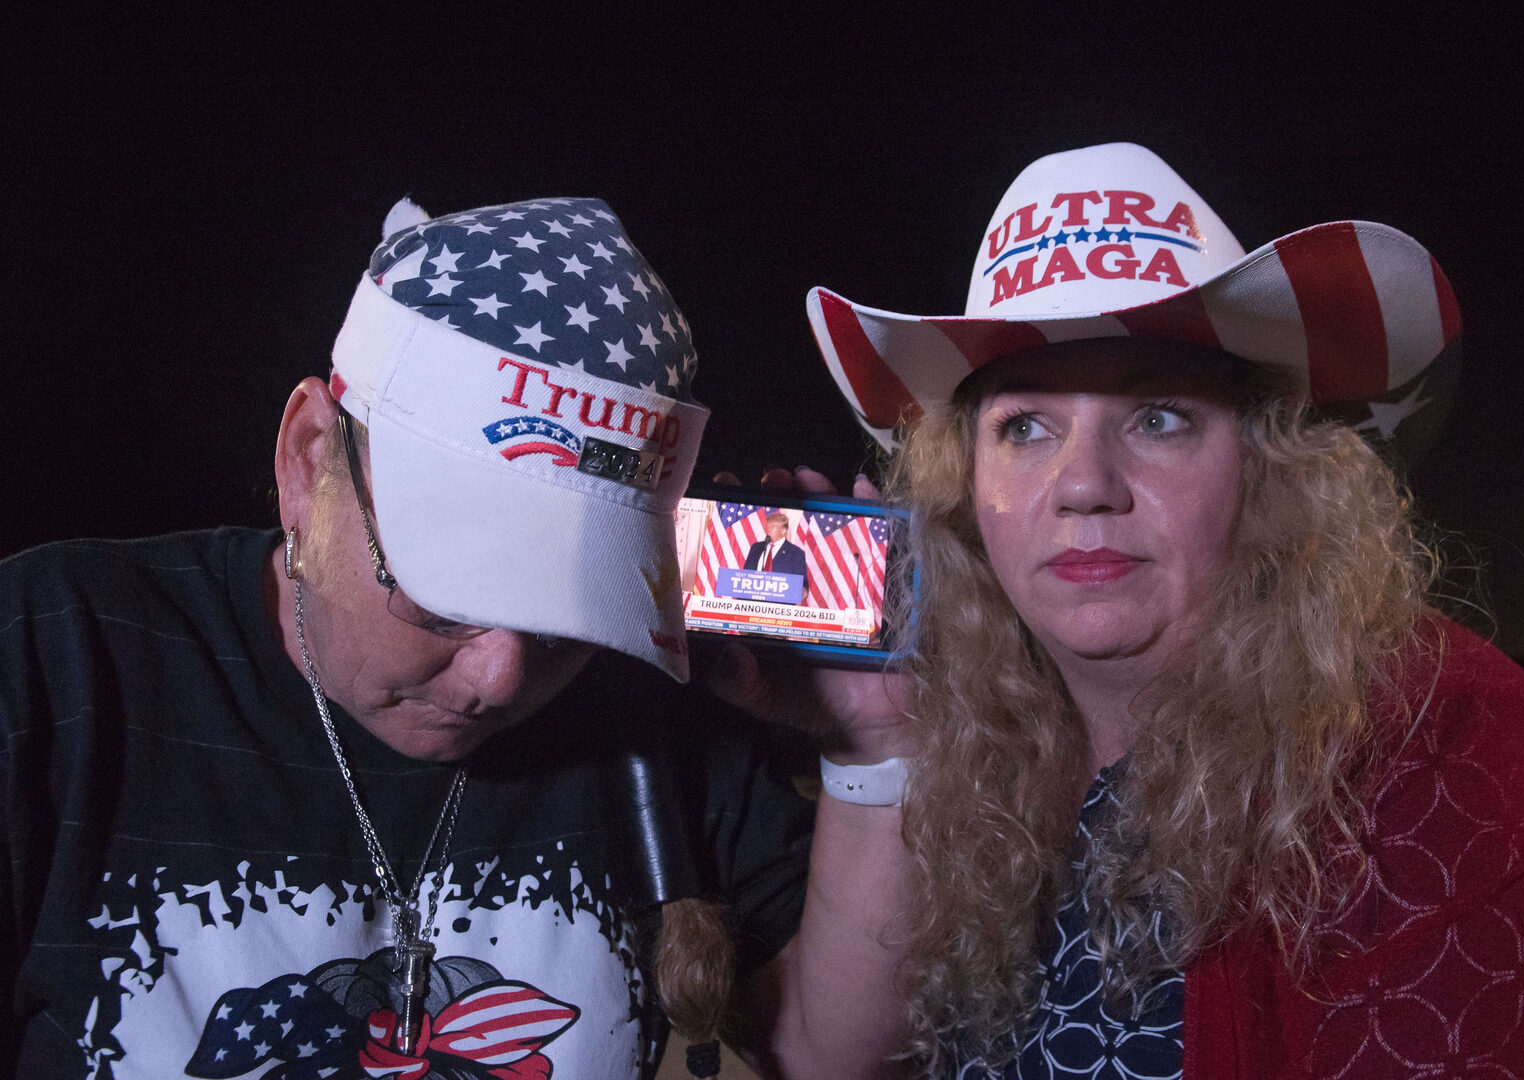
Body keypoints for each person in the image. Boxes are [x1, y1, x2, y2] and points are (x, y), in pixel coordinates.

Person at [0, 195, 899, 1080]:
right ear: (308, 459)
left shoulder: (650, 699)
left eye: (567, 622)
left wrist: (881, 746)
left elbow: (829, 1056)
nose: (500, 675)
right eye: (443, 599)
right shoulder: (56, 654)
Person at [800, 143, 1524, 1077]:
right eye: (1023, 427)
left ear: (1269, 469)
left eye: (1158, 418)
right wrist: (875, 746)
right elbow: (826, 1061)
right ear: (964, 491)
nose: (1084, 485)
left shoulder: (1436, 737)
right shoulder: (976, 751)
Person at [743, 513, 808, 579]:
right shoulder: (756, 548)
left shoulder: (796, 553)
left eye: (773, 526)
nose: (769, 529)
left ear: (783, 531)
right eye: (768, 526)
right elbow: (745, 574)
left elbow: (801, 582)